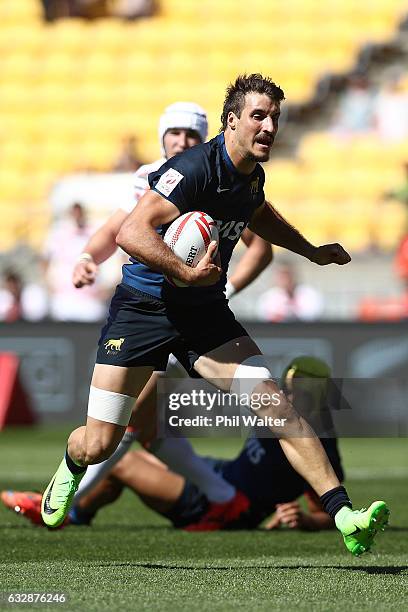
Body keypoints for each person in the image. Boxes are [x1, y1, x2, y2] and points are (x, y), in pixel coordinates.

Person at [41, 74, 389, 556]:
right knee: (101, 443)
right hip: (143, 310)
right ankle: (72, 463)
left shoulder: (250, 177)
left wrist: (310, 250)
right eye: (258, 116)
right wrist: (184, 269)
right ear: (231, 121)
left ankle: (345, 515)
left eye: (274, 118)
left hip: (203, 313)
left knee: (277, 405)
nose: (268, 126)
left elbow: (258, 213)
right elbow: (131, 235)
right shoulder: (193, 169)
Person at [70, 101, 272, 516]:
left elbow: (260, 247)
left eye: (190, 135)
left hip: (190, 319)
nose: (182, 140)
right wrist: (89, 257)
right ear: (162, 136)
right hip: (147, 312)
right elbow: (118, 228)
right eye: (174, 133)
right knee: (142, 427)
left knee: (129, 423)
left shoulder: (216, 176)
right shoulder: (149, 177)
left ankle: (68, 503)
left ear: (204, 138)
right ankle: (223, 498)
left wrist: (226, 290)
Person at [2, 357, 347, 533]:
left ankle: (70, 510)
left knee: (123, 461)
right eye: (287, 385)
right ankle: (76, 513)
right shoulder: (280, 411)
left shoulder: (319, 445)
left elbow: (327, 507)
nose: (287, 393)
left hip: (218, 504)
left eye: (296, 388)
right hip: (219, 477)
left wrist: (305, 520)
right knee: (144, 428)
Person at [43, 202, 109, 322]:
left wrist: (105, 288)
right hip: (64, 297)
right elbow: (46, 260)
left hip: (90, 299)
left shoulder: (94, 232)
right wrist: (49, 285)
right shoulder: (59, 233)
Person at [256, 262, 324, 322]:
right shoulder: (268, 297)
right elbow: (265, 318)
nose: (285, 278)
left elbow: (313, 316)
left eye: (287, 274)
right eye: (281, 275)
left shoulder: (309, 294)